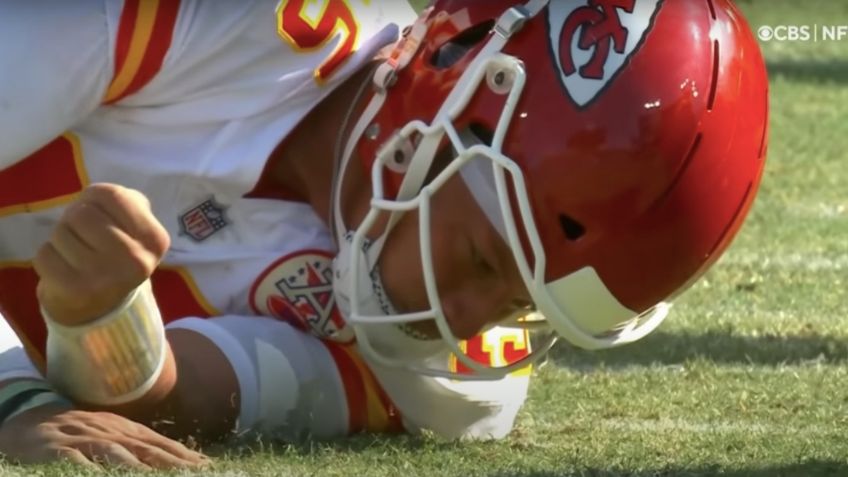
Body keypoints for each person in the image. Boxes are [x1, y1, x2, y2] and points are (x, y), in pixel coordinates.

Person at [0, 0, 768, 470]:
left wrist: (103, 323)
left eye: (522, 303)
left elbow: (180, 395)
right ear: (437, 93)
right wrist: (13, 394)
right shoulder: (227, 21)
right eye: (482, 259)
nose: (464, 319)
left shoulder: (466, 375)